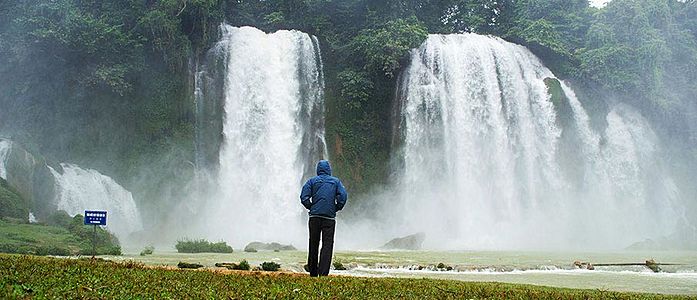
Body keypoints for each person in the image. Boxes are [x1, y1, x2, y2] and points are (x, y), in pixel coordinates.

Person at [300, 160, 348, 277]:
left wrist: (311, 207)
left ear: (318, 170)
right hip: (329, 218)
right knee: (327, 245)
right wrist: (336, 208)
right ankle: (323, 273)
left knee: (313, 243)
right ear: (329, 170)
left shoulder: (312, 181)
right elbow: (343, 196)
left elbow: (303, 197)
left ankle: (313, 272)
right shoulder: (336, 182)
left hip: (314, 217)